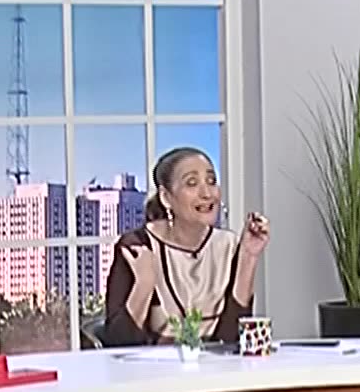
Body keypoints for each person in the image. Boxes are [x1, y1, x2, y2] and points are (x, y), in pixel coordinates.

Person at [102, 146, 271, 347]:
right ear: (166, 197)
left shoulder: (228, 245)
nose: (207, 193)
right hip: (155, 366)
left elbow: (231, 339)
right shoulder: (137, 247)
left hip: (216, 365)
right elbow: (117, 344)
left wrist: (249, 256)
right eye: (192, 183)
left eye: (211, 181)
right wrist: (144, 283)